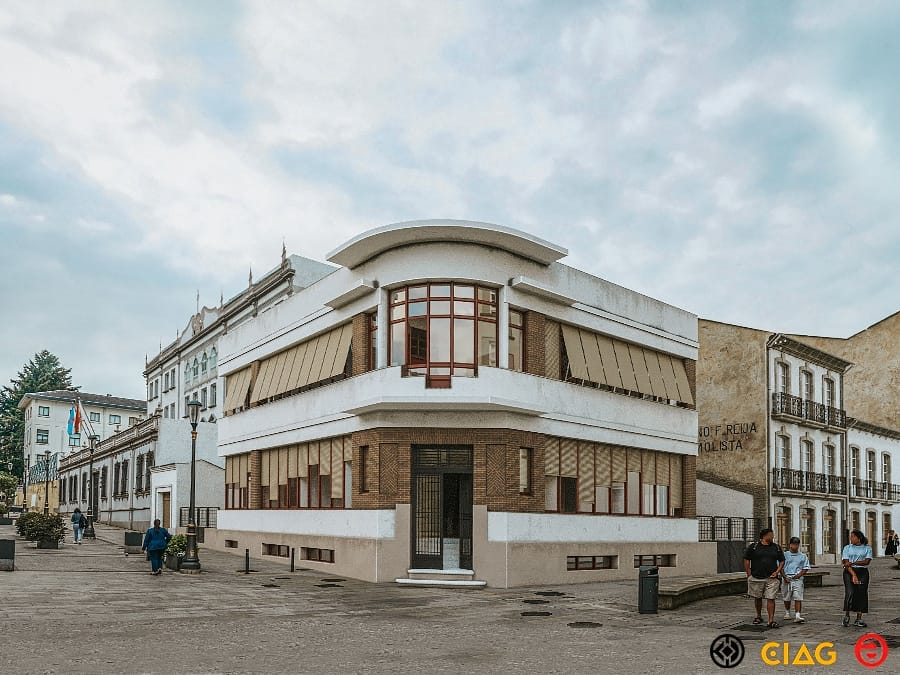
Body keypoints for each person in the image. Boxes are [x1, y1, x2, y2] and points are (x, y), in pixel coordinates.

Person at [744, 527, 785, 628]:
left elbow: (782, 560)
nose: (772, 536)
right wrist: (749, 573)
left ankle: (771, 620)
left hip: (771, 577)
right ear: (765, 536)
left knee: (771, 598)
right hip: (756, 576)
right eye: (771, 535)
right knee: (757, 597)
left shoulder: (776, 547)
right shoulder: (754, 547)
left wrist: (777, 571)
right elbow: (746, 559)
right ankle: (758, 616)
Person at [841, 529, 873, 627]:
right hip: (849, 571)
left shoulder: (867, 548)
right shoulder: (847, 548)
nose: (851, 538)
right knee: (850, 592)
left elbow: (866, 561)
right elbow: (846, 563)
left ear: (858, 538)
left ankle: (859, 618)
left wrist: (853, 562)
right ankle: (847, 615)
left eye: (852, 537)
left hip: (862, 572)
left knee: (861, 593)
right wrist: (853, 574)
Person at [781, 536, 810, 623]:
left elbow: (806, 567)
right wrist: (784, 576)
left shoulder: (802, 556)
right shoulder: (785, 555)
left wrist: (799, 575)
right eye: (793, 544)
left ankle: (798, 615)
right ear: (790, 545)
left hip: (797, 579)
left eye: (797, 544)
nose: (795, 546)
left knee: (798, 597)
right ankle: (787, 612)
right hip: (787, 578)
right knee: (786, 596)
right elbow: (780, 567)